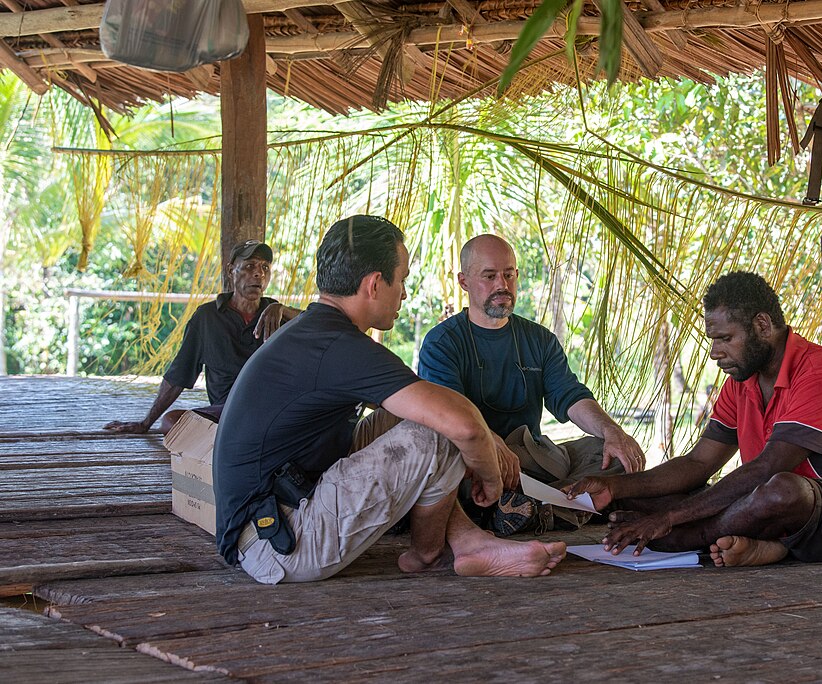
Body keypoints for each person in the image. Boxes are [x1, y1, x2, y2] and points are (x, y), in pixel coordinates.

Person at [213, 215, 566, 584]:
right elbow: (464, 427)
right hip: (278, 542)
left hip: (280, 510)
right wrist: (493, 484)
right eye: (402, 280)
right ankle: (428, 553)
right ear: (374, 284)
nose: (405, 293)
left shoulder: (319, 332)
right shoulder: (340, 347)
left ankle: (467, 542)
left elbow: (442, 409)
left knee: (422, 416)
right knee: (435, 432)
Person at [566, 271, 822, 567]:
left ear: (762, 326)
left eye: (725, 338)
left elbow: (769, 468)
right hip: (761, 503)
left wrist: (669, 520)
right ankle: (766, 544)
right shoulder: (742, 382)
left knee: (784, 491)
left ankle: (694, 539)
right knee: (639, 494)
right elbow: (698, 463)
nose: (715, 352)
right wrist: (615, 486)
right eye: (713, 340)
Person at [418, 234, 645, 533]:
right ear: (464, 281)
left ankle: (530, 508)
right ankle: (557, 507)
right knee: (452, 467)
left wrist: (612, 431)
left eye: (509, 274)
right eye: (489, 276)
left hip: (536, 459)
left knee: (610, 454)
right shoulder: (442, 342)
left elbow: (570, 395)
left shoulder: (539, 339)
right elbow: (449, 417)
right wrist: (490, 443)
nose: (502, 284)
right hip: (478, 460)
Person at [103, 239, 298, 434]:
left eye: (265, 267)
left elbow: (322, 322)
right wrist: (146, 423)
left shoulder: (278, 316)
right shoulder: (207, 317)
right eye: (249, 266)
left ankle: (240, 441)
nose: (259, 273)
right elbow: (179, 374)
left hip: (271, 409)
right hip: (227, 412)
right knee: (171, 422)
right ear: (231, 271)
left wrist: (282, 308)